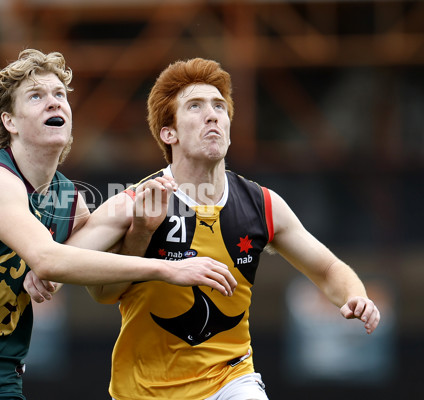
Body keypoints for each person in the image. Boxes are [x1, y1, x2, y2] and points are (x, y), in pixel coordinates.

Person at [0, 50, 238, 400]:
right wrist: (169, 269)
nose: (54, 102)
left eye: (60, 95)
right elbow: (49, 260)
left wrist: (142, 217)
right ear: (9, 122)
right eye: (36, 96)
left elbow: (97, 282)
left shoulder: (70, 202)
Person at [77, 58, 381, 400]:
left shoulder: (263, 205)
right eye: (195, 106)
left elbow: (328, 268)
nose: (213, 115)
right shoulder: (135, 200)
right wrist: (142, 233)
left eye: (219, 106)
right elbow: (91, 283)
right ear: (169, 132)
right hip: (144, 390)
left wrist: (356, 295)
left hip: (232, 380)